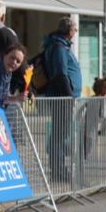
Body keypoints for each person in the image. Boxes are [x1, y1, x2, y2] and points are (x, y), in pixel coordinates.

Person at [40, 17, 81, 183]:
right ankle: (58, 170)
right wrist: (69, 96)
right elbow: (60, 74)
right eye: (75, 29)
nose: (75, 32)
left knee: (60, 134)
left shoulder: (60, 45)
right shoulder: (59, 47)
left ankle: (59, 168)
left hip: (62, 97)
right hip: (61, 98)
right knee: (60, 134)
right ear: (69, 31)